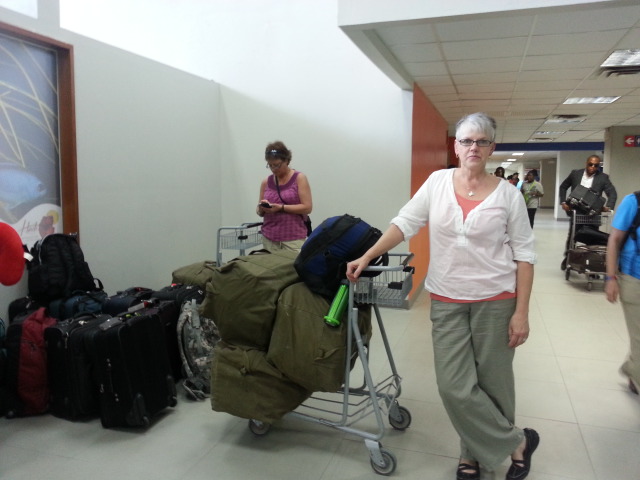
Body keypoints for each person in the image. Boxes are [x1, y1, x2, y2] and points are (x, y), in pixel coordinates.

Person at [346, 112, 539, 480]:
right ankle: (517, 442)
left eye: (481, 141)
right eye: (466, 140)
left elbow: (524, 255)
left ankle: (471, 455)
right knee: (454, 386)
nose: (473, 147)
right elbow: (405, 223)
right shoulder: (437, 183)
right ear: (456, 146)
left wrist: (522, 312)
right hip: (447, 298)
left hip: (497, 299)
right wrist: (368, 255)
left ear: (491, 148)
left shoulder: (508, 194)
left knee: (494, 383)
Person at [605, 191, 640, 396]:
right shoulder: (634, 202)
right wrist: (611, 278)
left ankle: (633, 368)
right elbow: (615, 240)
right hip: (634, 278)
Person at [558, 155, 617, 270]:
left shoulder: (603, 178)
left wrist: (609, 207)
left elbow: (612, 193)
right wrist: (563, 202)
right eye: (590, 164)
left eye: (596, 165)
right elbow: (563, 187)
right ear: (586, 163)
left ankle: (591, 263)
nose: (592, 167)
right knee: (573, 236)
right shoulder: (576, 174)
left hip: (593, 213)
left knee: (592, 238)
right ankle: (568, 259)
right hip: (577, 211)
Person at [256, 141, 312, 252]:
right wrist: (262, 208)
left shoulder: (299, 178)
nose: (273, 169)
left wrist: (281, 208)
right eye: (270, 165)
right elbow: (258, 211)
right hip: (269, 238)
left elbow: (307, 208)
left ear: (286, 160)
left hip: (293, 238)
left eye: (277, 165)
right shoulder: (266, 182)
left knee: (293, 263)